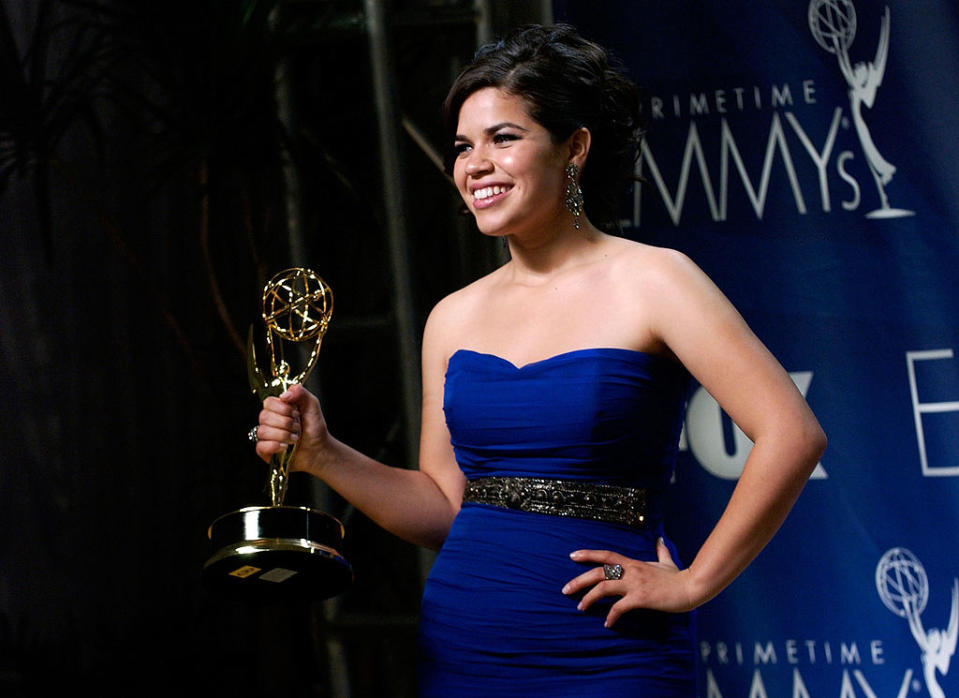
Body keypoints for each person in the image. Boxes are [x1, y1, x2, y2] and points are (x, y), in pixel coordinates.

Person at [253, 23, 826, 696]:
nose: (474, 165)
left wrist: (695, 580)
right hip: (467, 635)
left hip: (609, 639)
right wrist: (325, 456)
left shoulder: (656, 281)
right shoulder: (452, 317)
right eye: (463, 146)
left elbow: (792, 433)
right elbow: (443, 506)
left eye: (503, 138)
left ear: (573, 148)